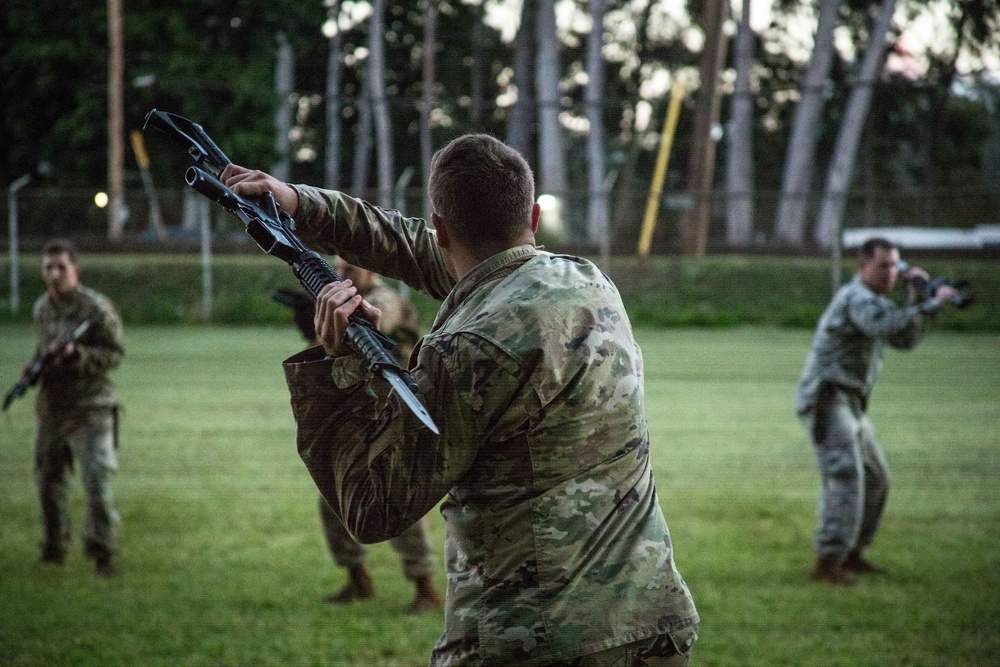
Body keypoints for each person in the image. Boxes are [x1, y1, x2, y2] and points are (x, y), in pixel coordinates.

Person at [222, 134, 699, 666]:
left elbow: (372, 505)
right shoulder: (589, 284)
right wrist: (299, 203)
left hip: (534, 642)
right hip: (649, 626)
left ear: (443, 226)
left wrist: (339, 367)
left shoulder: (467, 351)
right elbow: (415, 248)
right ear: (534, 217)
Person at [272, 263, 443, 613]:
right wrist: (314, 324)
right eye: (340, 268)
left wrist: (326, 322)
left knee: (399, 499)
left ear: (370, 269)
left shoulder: (385, 299)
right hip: (360, 408)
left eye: (351, 267)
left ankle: (425, 585)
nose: (344, 273)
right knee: (333, 498)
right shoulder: (351, 301)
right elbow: (330, 354)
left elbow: (366, 332)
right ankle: (357, 578)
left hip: (396, 411)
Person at [795, 238, 957, 585]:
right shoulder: (858, 298)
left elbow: (904, 339)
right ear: (862, 266)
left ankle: (852, 554)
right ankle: (827, 562)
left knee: (877, 477)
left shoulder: (876, 301)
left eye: (895, 267)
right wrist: (929, 304)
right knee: (846, 475)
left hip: (850, 400)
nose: (891, 274)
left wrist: (919, 299)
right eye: (883, 266)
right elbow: (886, 326)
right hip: (829, 396)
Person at [30, 239, 124, 576]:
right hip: (52, 408)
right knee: (47, 482)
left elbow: (114, 353)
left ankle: (103, 554)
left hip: (91, 408)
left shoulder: (96, 309)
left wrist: (78, 356)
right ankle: (54, 548)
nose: (54, 275)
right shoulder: (42, 308)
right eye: (48, 268)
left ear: (75, 270)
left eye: (61, 268)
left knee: (96, 480)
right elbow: (43, 350)